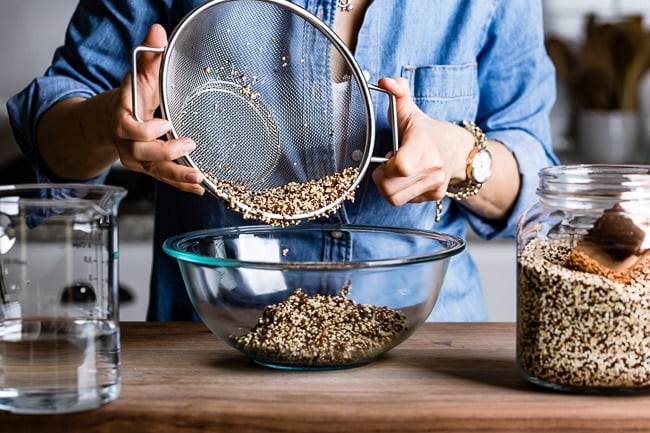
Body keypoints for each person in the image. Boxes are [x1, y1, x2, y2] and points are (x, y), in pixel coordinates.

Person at [7, 0, 558, 321]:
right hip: (212, 348)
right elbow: (49, 125)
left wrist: (464, 157)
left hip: (426, 351)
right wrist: (110, 124)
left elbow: (539, 184)